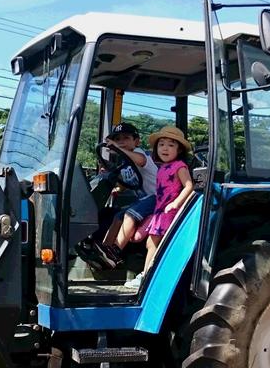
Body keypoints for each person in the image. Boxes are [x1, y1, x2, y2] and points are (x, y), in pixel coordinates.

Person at [76, 122, 157, 269]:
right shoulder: (125, 164)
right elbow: (128, 182)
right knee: (118, 216)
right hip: (144, 200)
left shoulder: (140, 154)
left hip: (158, 198)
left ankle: (116, 251)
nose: (121, 142)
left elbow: (140, 161)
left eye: (126, 138)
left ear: (136, 141)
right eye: (117, 139)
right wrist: (117, 189)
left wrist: (117, 148)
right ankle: (105, 251)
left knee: (130, 215)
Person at [123, 126, 195, 289]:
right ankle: (149, 274)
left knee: (153, 243)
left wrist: (176, 203)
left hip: (170, 212)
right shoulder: (162, 168)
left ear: (179, 149)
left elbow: (189, 186)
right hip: (160, 211)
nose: (165, 148)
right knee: (151, 243)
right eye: (161, 144)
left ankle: (147, 276)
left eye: (171, 145)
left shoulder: (179, 166)